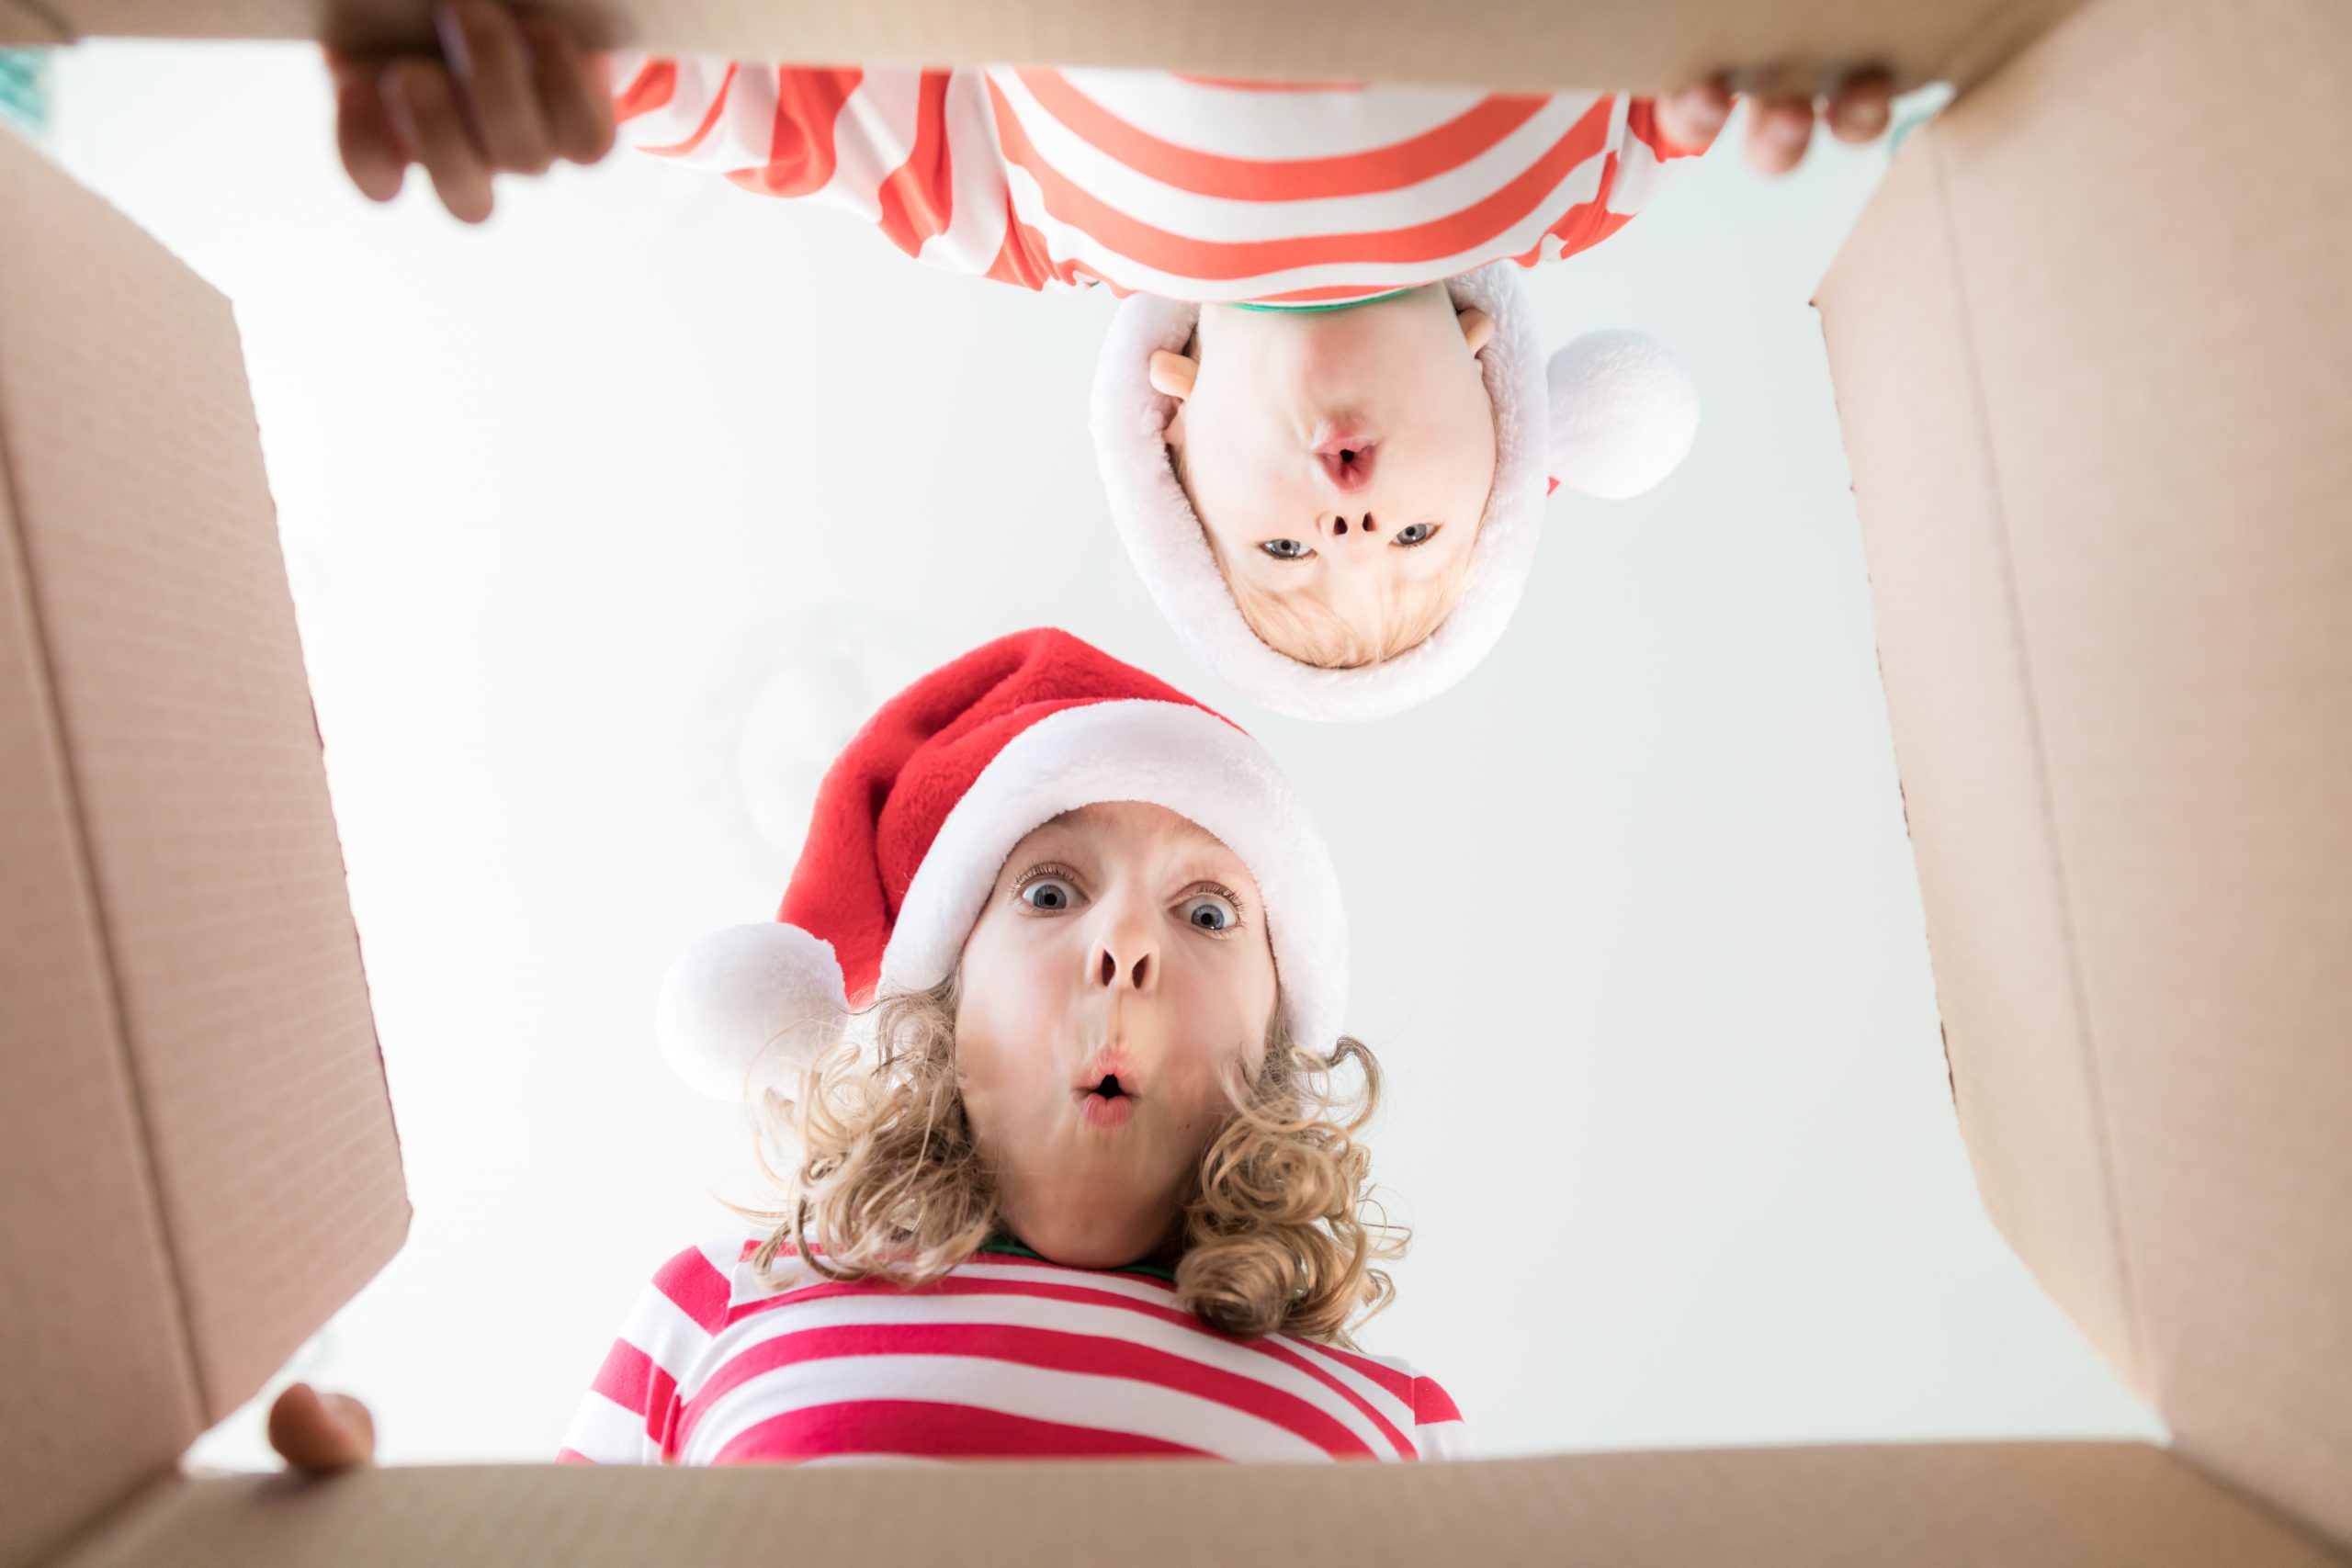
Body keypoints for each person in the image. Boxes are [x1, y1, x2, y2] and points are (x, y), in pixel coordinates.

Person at [324, 7, 1893, 719]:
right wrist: (1764, 59)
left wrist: (592, 55)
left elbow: (779, 104)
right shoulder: (1577, 188)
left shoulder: (1037, 219)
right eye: (1420, 535)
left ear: (1175, 420)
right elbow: (1715, 63)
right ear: (1499, 393)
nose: (1351, 524)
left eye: (1278, 547)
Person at [270, 627, 1459, 1469]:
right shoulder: (717, 1308)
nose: (1126, 947)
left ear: (1272, 1048)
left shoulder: (1406, 1427)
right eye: (1049, 893)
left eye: (1208, 914)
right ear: (944, 1022)